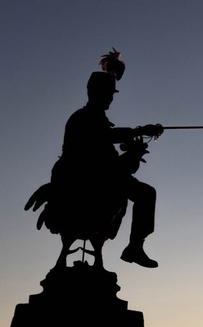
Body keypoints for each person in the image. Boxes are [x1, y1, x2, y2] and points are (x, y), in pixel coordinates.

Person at [34, 50, 164, 267]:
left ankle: (135, 247)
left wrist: (135, 143)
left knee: (146, 193)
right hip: (85, 177)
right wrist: (139, 130)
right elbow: (106, 138)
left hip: (103, 174)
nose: (111, 98)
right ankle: (134, 248)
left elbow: (111, 148)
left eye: (112, 94)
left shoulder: (98, 119)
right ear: (96, 93)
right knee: (145, 193)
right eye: (109, 94)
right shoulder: (83, 118)